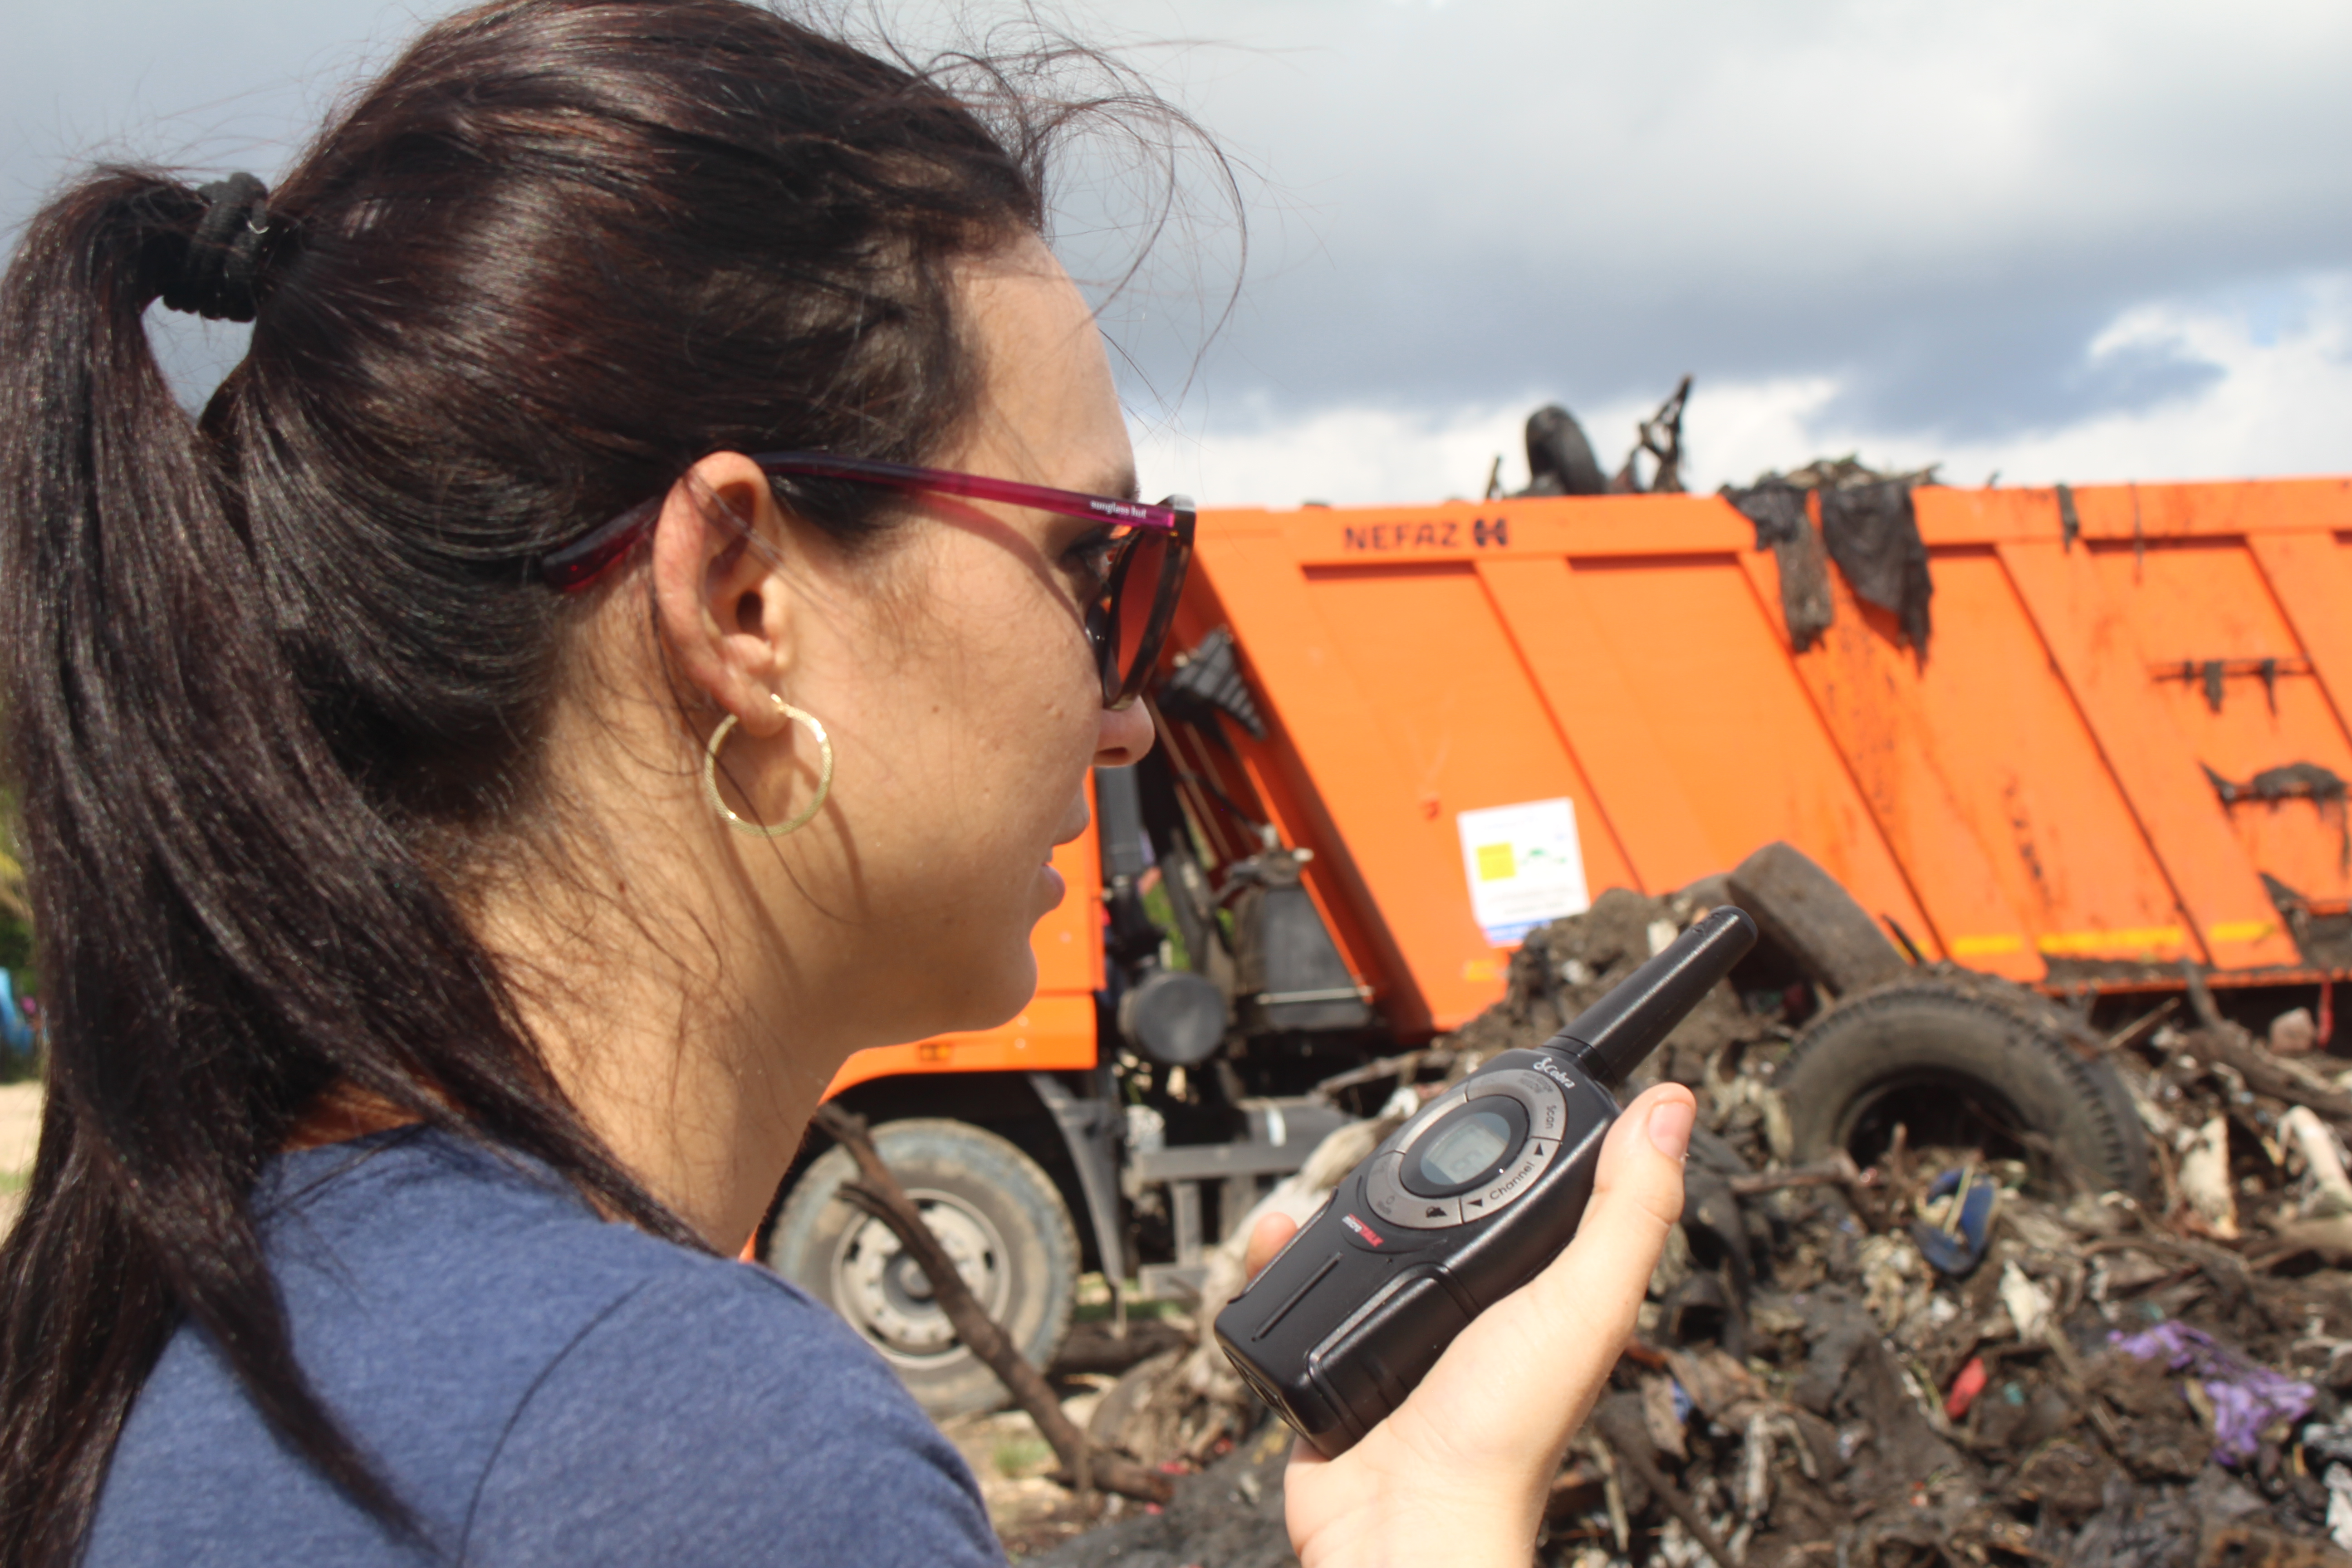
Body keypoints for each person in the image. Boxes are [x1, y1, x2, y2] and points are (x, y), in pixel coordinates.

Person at [0, 1, 1695, 1563]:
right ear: (743, 600)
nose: (1123, 721)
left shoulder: (217, 1308)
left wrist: (1414, 1513)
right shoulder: (683, 1446)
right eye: (1089, 564)